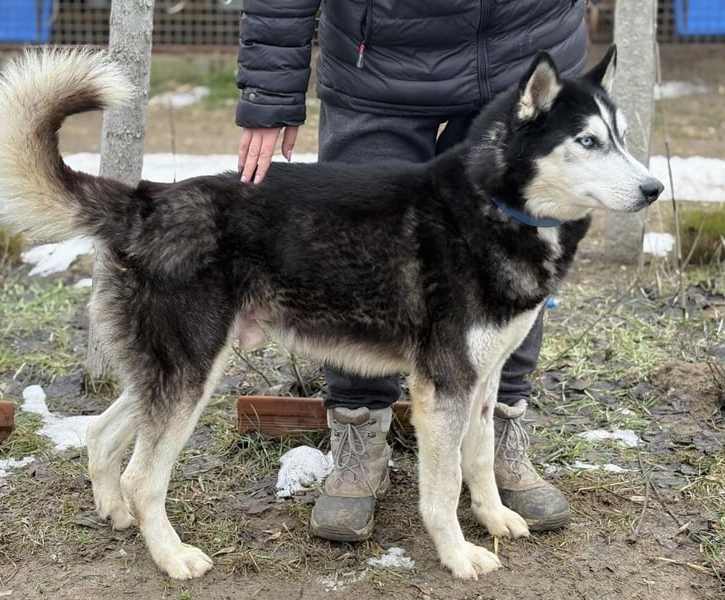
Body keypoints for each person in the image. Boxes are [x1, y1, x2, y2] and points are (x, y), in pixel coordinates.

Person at [235, 1, 587, 542]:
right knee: (356, 259)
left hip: (523, 50)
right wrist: (269, 90)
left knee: (518, 248)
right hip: (379, 60)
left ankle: (501, 428)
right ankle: (358, 428)